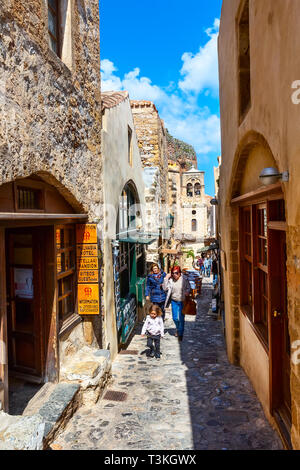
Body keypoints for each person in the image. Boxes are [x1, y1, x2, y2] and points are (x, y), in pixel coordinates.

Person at [163, 266, 191, 342]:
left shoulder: (184, 279)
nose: (174, 274)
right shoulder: (171, 280)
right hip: (174, 301)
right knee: (175, 318)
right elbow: (165, 288)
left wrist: (187, 292)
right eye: (173, 273)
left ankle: (180, 334)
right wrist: (166, 278)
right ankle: (178, 329)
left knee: (181, 318)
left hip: (182, 301)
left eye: (176, 273)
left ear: (179, 273)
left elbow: (189, 287)